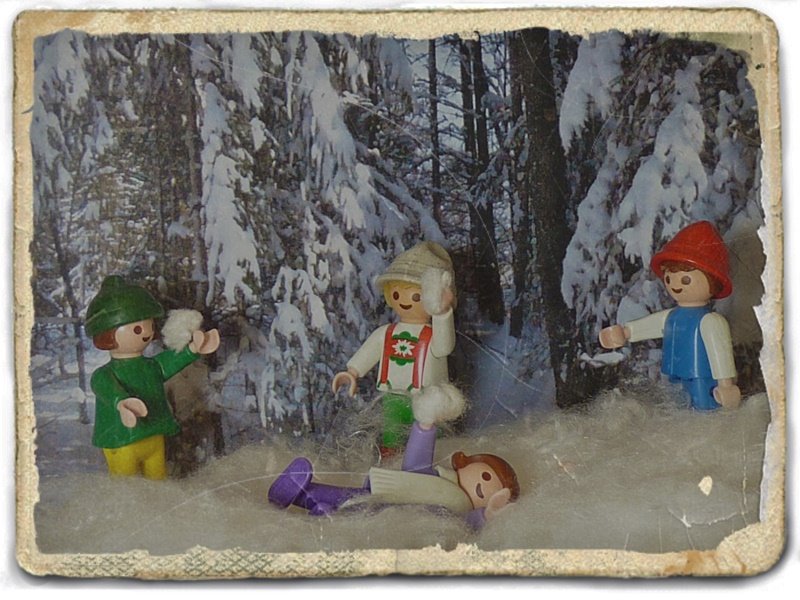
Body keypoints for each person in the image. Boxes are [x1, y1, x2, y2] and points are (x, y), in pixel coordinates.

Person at [269, 384, 519, 530]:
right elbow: (414, 464)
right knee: (347, 497)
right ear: (463, 461)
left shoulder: (459, 510)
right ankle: (301, 491)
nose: (483, 487)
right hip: (384, 495)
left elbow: (468, 523)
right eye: (487, 476)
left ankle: (318, 509)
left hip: (388, 518)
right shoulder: (437, 477)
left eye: (491, 492)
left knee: (354, 514)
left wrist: (488, 514)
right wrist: (425, 427)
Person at [85, 275, 220, 478]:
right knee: (127, 488)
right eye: (137, 329)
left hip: (154, 437)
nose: (146, 333)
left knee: (158, 482)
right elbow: (105, 388)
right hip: (123, 441)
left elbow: (169, 362)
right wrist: (122, 402)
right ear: (108, 333)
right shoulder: (105, 373)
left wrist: (193, 349)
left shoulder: (151, 366)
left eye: (148, 325)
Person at [598, 221, 740, 410]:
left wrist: (726, 385)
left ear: (713, 280)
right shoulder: (672, 316)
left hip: (703, 379)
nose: (675, 285)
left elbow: (720, 353)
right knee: (677, 409)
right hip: (674, 375)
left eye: (686, 279)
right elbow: (651, 325)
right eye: (669, 278)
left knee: (705, 413)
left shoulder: (711, 321)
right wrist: (626, 333)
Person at [331, 241, 456, 455]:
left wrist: (442, 313)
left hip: (427, 398)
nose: (405, 301)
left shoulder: (431, 334)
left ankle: (429, 462)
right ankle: (391, 461)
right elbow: (369, 351)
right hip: (393, 396)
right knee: (392, 434)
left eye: (416, 296)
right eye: (397, 294)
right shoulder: (386, 333)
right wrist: (352, 372)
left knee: (428, 436)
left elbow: (445, 347)